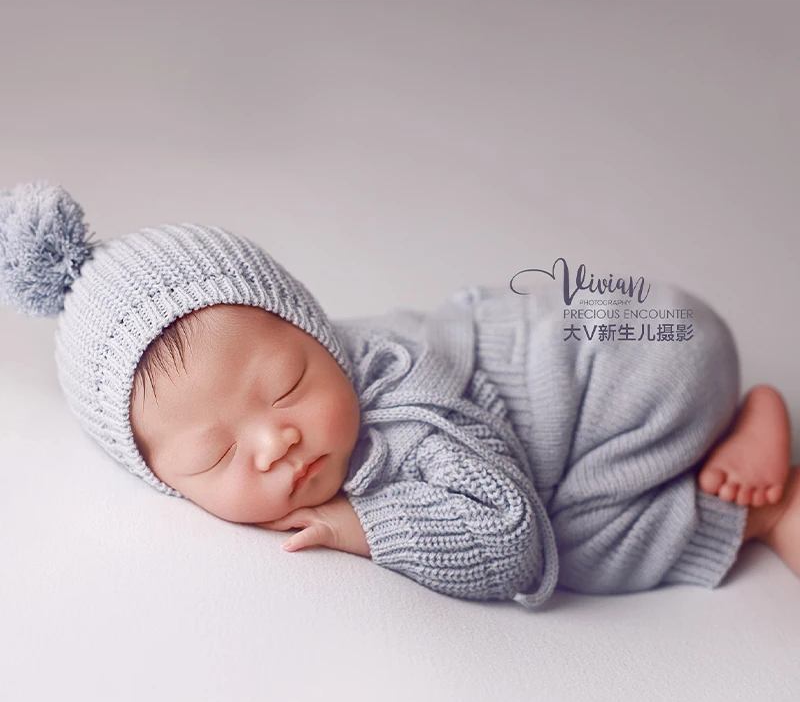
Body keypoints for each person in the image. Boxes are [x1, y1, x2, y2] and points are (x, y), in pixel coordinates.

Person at [1, 180, 797, 610]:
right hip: (636, 322)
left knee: (575, 544)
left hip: (648, 368)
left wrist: (365, 523)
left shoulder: (404, 413)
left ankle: (762, 499)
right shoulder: (292, 364)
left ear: (314, 329)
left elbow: (514, 542)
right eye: (215, 454)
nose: (275, 440)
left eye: (288, 385)